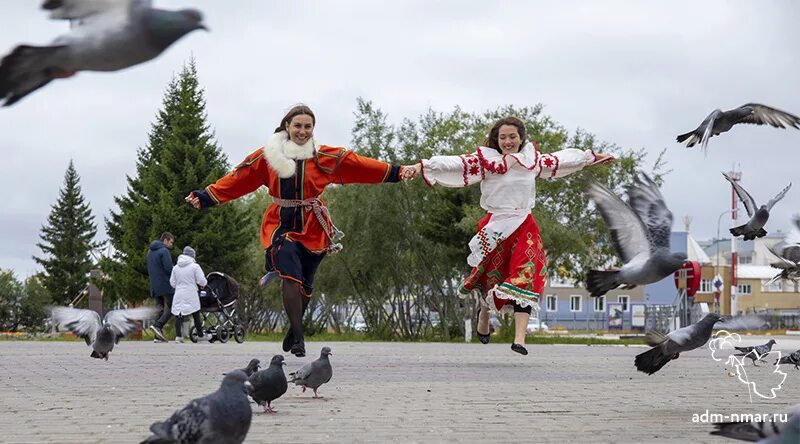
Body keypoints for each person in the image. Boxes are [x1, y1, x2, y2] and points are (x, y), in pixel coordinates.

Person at [185, 104, 410, 357]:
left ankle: (293, 329)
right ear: (287, 127)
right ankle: (299, 338)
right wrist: (206, 196)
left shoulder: (324, 157)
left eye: (307, 126)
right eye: (297, 126)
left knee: (306, 285)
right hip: (281, 224)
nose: (302, 131)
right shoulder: (268, 156)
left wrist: (397, 172)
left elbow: (359, 165)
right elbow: (240, 177)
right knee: (289, 273)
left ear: (312, 129)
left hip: (314, 225)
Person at [403, 116, 613, 355]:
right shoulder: (485, 162)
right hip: (495, 227)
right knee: (491, 277)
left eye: (512, 136)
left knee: (527, 275)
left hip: (524, 225)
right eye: (503, 137)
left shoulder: (531, 161)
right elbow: (455, 163)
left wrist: (589, 158)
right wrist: (422, 166)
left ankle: (520, 339)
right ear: (497, 139)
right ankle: (484, 313)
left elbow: (560, 160)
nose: (508, 141)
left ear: (521, 138)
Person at [169, 246, 209, 343]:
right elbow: (201, 281)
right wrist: (203, 284)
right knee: (195, 314)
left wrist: (179, 286)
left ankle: (178, 337)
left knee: (178, 314)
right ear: (192, 256)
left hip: (178, 293)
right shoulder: (195, 266)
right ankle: (200, 336)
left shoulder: (175, 268)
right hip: (191, 293)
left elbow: (172, 283)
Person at [146, 231, 175, 343]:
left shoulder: (149, 252)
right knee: (173, 307)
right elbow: (168, 269)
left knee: (159, 308)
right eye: (171, 242)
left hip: (154, 285)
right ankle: (158, 325)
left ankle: (157, 336)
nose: (171, 245)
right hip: (166, 284)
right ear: (165, 240)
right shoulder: (164, 251)